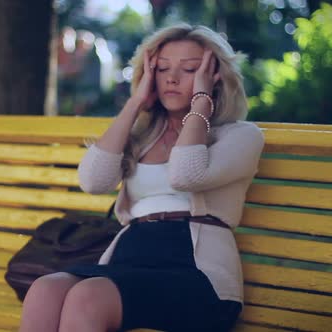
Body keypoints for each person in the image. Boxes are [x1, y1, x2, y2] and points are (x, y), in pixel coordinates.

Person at [19, 23, 265, 332]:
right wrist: (135, 103)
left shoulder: (241, 136)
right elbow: (93, 182)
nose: (172, 78)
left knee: (88, 297)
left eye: (190, 69)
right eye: (162, 69)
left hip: (195, 275)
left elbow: (184, 175)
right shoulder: (141, 136)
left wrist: (201, 101)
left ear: (215, 77)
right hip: (130, 257)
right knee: (44, 291)